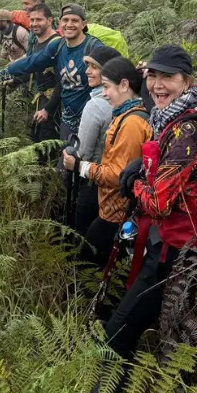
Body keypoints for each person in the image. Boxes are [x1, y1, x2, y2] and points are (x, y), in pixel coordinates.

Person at [105, 45, 197, 362]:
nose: (157, 85)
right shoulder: (170, 118)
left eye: (167, 77)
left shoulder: (186, 131)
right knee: (163, 326)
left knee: (117, 336)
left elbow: (160, 203)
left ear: (186, 81)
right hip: (172, 242)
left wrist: (134, 183)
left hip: (173, 250)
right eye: (152, 76)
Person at [63, 57, 152, 273]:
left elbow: (117, 175)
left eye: (106, 87)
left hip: (118, 212)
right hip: (113, 208)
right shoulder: (125, 115)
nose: (104, 93)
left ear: (124, 85)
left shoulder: (131, 123)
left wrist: (79, 166)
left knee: (89, 262)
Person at [0, 3, 102, 141]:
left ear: (83, 24)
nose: (69, 24)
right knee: (66, 152)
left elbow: (115, 72)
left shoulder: (94, 47)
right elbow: (30, 62)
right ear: (59, 23)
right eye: (65, 20)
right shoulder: (58, 46)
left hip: (92, 115)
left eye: (75, 20)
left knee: (85, 153)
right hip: (68, 118)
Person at [72, 45, 121, 234]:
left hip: (93, 180)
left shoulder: (96, 105)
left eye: (94, 67)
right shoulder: (129, 100)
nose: (87, 71)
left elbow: (83, 151)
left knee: (83, 231)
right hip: (117, 183)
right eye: (87, 65)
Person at [26, 4, 61, 145]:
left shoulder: (56, 44)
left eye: (39, 20)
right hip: (41, 100)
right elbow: (32, 68)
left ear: (49, 20)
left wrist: (47, 109)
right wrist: (9, 81)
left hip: (56, 104)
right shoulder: (36, 41)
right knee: (38, 142)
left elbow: (62, 81)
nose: (34, 23)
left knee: (49, 145)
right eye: (32, 20)